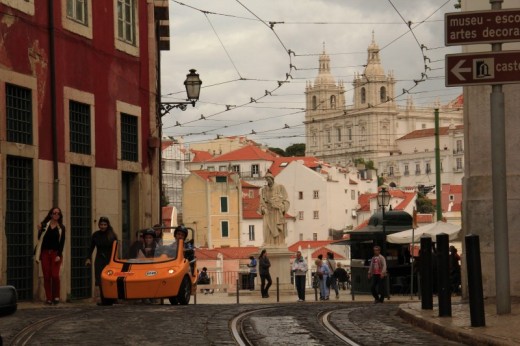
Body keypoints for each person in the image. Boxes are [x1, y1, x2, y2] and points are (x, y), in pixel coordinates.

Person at [34, 207, 66, 305]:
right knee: (47, 276)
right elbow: (40, 239)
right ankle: (48, 298)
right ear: (51, 214)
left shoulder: (61, 227)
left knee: (55, 276)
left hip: (55, 253)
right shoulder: (44, 225)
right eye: (54, 213)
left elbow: (62, 243)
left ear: (60, 216)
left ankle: (56, 296)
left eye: (58, 213)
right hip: (45, 253)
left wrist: (59, 255)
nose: (56, 215)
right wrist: (39, 230)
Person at [85, 217, 118, 305]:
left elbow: (115, 249)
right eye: (101, 225)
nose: (103, 226)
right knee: (100, 280)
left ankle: (111, 298)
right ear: (99, 225)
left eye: (104, 225)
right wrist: (88, 258)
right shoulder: (95, 235)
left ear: (107, 225)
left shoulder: (112, 235)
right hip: (99, 259)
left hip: (109, 260)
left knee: (109, 279)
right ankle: (104, 300)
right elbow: (91, 247)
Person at [258, 171, 290, 246]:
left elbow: (286, 200)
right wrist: (263, 209)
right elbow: (261, 203)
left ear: (272, 179)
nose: (268, 181)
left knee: (278, 231)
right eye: (266, 179)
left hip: (277, 213)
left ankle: (278, 243)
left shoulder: (280, 187)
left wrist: (281, 206)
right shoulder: (263, 190)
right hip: (267, 213)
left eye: (269, 179)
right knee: (266, 230)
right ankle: (268, 243)